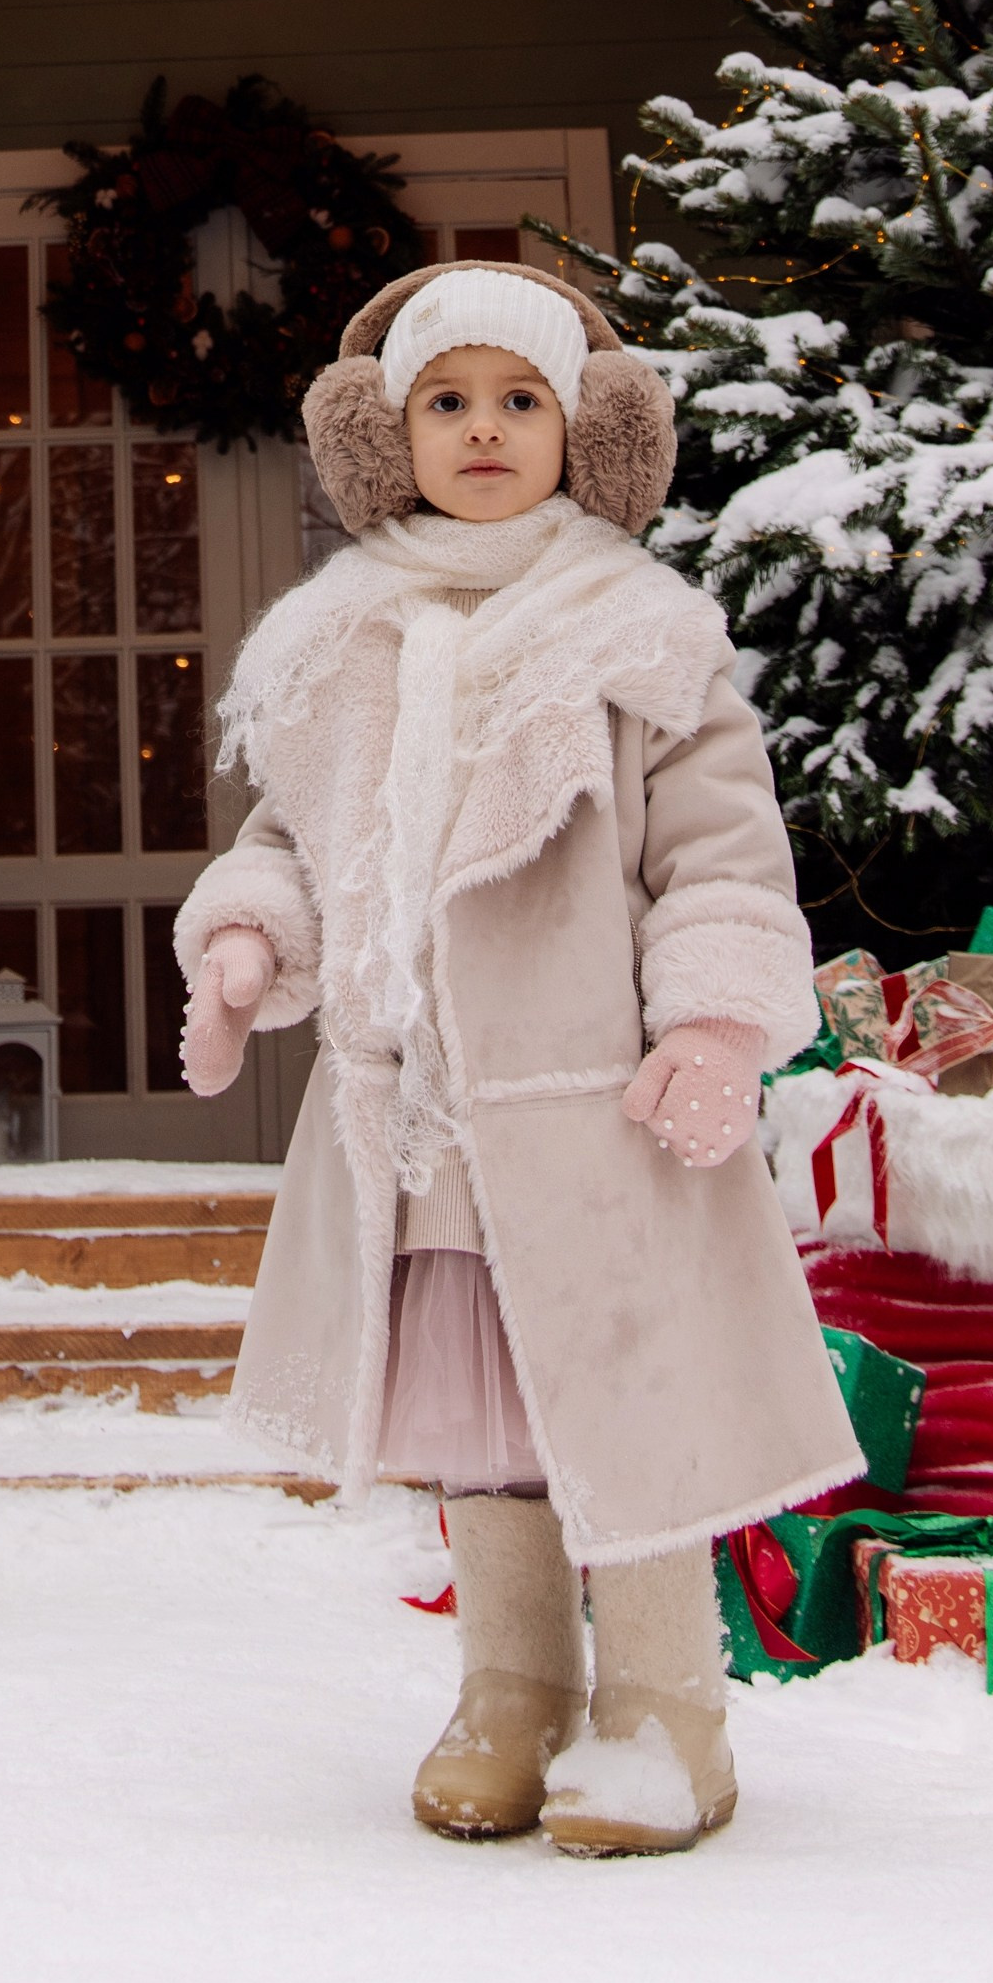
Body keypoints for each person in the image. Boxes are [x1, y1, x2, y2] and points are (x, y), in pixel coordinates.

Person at [175, 260, 857, 1855]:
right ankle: (514, 1683)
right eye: (445, 400)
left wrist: (712, 1018)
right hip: (422, 1116)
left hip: (594, 1110)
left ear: (581, 428)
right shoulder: (341, 637)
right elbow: (293, 832)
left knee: (620, 1396)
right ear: (385, 435)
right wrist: (247, 941)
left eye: (519, 398)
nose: (481, 429)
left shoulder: (639, 634)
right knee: (480, 1417)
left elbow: (719, 853)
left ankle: (666, 1706)